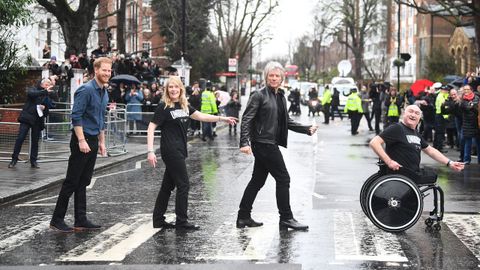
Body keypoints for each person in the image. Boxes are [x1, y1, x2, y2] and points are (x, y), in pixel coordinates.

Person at [146, 76, 237, 230]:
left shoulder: (184, 106)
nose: (173, 89)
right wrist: (150, 151)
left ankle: (158, 219)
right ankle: (181, 221)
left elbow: (201, 116)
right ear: (167, 90)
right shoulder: (164, 107)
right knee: (184, 184)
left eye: (176, 87)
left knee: (167, 186)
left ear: (181, 89)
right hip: (170, 150)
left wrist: (222, 118)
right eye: (170, 87)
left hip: (180, 149)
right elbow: (151, 127)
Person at [237, 61, 318, 231]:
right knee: (283, 179)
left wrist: (306, 129)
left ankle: (243, 216)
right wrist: (244, 142)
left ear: (282, 78)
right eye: (271, 75)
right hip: (263, 144)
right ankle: (286, 218)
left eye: (277, 76)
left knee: (257, 181)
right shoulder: (258, 95)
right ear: (266, 77)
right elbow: (247, 119)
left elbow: (286, 121)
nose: (274, 78)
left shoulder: (280, 96)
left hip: (270, 143)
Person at [50, 57, 112, 233]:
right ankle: (57, 219)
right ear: (96, 70)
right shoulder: (85, 90)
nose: (107, 73)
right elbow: (76, 116)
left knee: (83, 181)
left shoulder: (104, 92)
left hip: (93, 139)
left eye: (109, 70)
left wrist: (101, 142)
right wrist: (81, 140)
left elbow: (101, 119)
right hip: (81, 139)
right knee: (71, 181)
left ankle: (80, 219)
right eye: (104, 70)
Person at [369, 105, 463, 179]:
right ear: (404, 114)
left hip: (412, 174)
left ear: (420, 118)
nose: (413, 115)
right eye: (410, 111)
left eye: (417, 113)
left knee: (433, 175)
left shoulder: (416, 134)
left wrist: (450, 163)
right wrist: (389, 162)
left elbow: (430, 150)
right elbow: (374, 142)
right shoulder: (397, 128)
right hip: (400, 174)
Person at [8, 78, 55, 169]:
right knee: (20, 138)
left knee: (35, 141)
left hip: (38, 120)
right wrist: (44, 92)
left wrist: (44, 107)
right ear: (42, 84)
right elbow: (31, 94)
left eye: (49, 84)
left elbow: (52, 104)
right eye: (47, 83)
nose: (48, 85)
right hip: (27, 118)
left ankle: (33, 160)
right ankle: (14, 159)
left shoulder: (48, 93)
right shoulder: (34, 89)